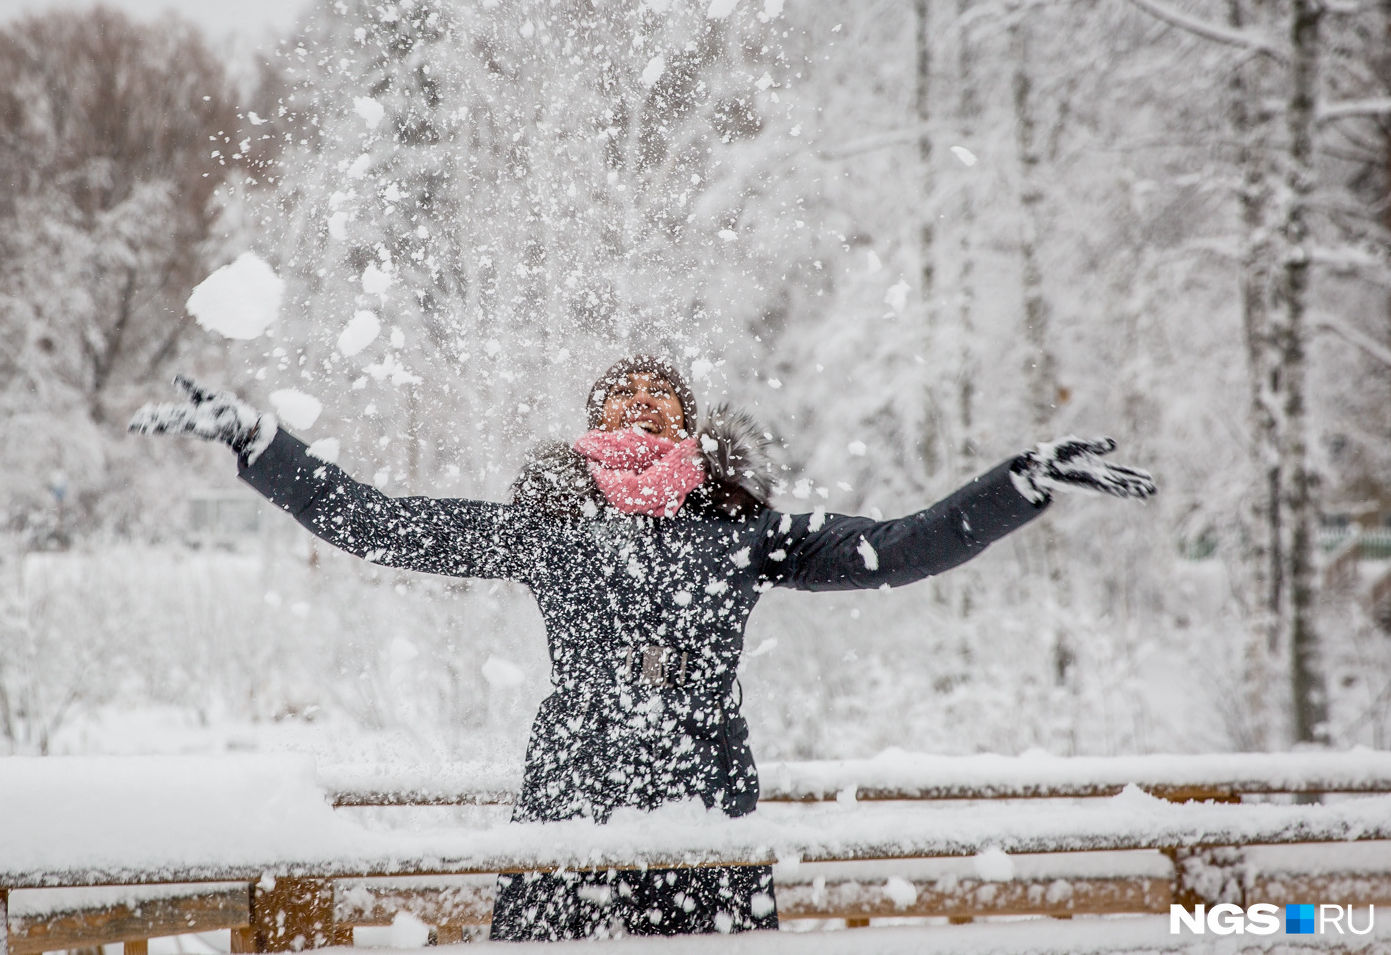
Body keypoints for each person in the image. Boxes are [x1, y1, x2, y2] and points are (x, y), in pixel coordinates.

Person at [129, 354, 1154, 941]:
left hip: (702, 791)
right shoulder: (547, 527)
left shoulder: (747, 530)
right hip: (568, 788)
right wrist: (262, 445)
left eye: (658, 395)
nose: (637, 403)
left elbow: (898, 547)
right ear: (589, 422)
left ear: (690, 425)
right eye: (618, 394)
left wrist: (1020, 480)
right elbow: (380, 523)